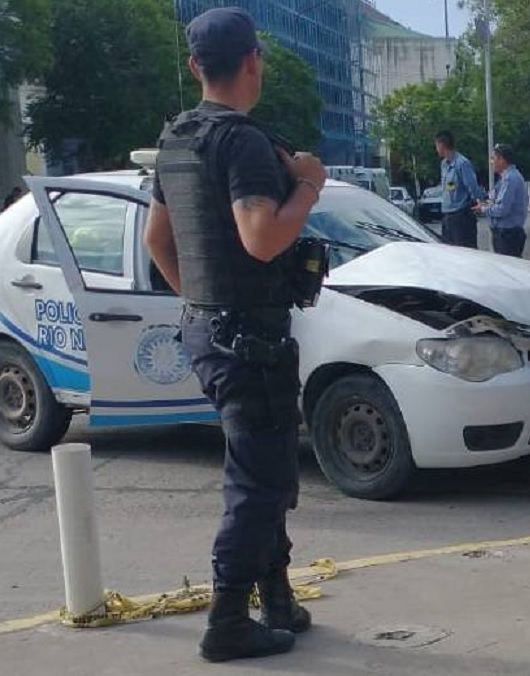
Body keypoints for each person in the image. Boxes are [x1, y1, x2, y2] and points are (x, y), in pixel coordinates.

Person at [142, 7, 325, 663]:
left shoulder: (177, 140)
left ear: (196, 66)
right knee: (259, 484)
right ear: (254, 62)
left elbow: (156, 243)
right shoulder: (241, 140)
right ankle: (227, 621)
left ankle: (275, 598)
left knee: (266, 468)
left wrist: (203, 303)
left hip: (210, 330)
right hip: (250, 336)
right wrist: (308, 186)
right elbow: (263, 236)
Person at [474, 143, 528, 258]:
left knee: (507, 271)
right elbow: (495, 200)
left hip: (508, 235)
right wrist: (486, 203)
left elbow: (502, 209)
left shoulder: (510, 179)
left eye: (493, 159)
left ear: (502, 160)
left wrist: (483, 208)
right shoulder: (506, 178)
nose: (491, 163)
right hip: (505, 234)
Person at [435, 130, 486, 247]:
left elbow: (472, 187)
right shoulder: (444, 164)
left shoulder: (462, 164)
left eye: (437, 145)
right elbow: (446, 188)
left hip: (461, 215)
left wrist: (480, 201)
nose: (436, 149)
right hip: (447, 215)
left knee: (465, 251)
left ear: (442, 145)